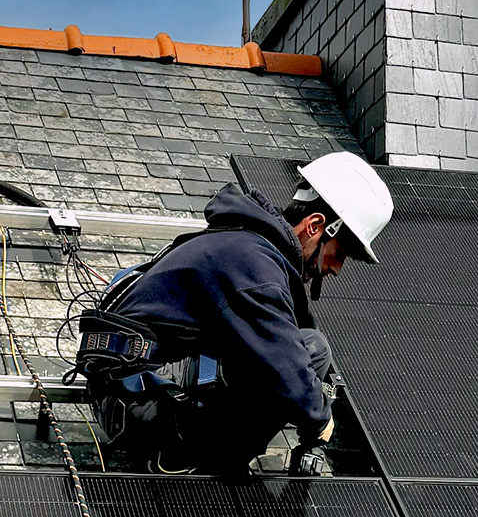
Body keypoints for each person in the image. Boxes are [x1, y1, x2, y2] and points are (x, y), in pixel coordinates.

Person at [72, 153, 393, 476]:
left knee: (299, 350)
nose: (336, 269)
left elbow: (293, 335)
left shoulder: (246, 246)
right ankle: (184, 458)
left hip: (125, 396)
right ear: (315, 226)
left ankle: (187, 445)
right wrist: (321, 419)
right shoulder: (254, 267)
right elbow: (289, 367)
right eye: (339, 254)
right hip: (140, 410)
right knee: (311, 351)